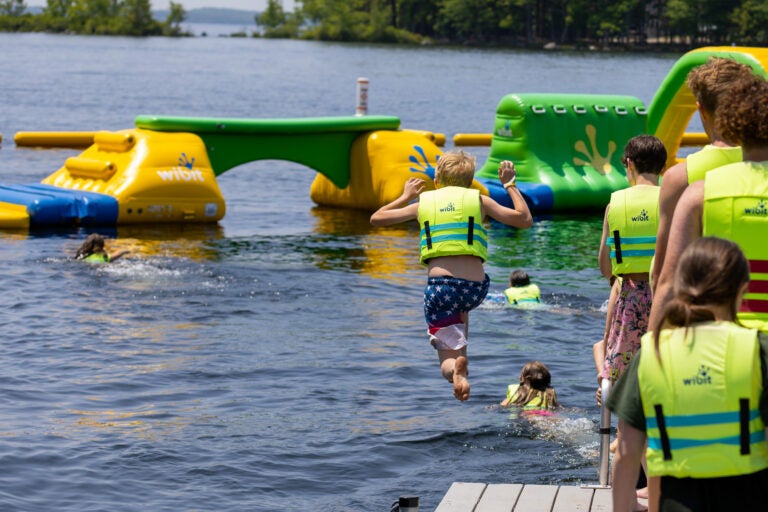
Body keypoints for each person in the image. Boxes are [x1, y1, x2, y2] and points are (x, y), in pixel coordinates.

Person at [607, 236, 768, 512]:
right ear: (742, 289)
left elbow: (626, 453)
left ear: (679, 288)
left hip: (674, 501)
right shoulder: (756, 349)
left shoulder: (653, 352)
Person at [370, 150, 533, 401]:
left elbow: (377, 219)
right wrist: (510, 184)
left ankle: (454, 372)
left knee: (446, 355)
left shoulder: (424, 202)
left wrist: (405, 197)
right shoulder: (479, 200)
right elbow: (524, 219)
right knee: (460, 326)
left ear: (437, 180)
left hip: (441, 288)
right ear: (469, 182)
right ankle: (462, 368)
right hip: (474, 289)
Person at [649, 75, 768, 333]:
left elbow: (668, 282)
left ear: (731, 123)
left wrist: (649, 354)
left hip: (720, 346)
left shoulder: (700, 194)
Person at [597, 135, 666, 386]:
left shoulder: (615, 203)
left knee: (622, 380)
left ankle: (621, 426)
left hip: (630, 297)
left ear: (629, 164)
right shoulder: (672, 199)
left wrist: (616, 280)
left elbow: (605, 265)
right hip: (666, 297)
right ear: (663, 167)